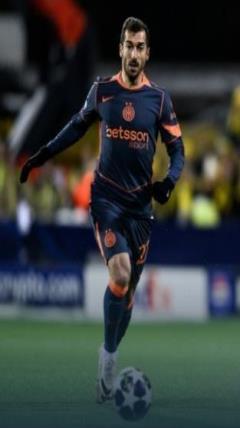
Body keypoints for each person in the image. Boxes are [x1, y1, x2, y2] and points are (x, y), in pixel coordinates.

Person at [19, 17, 184, 403]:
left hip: (140, 209)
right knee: (120, 275)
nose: (134, 53)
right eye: (129, 45)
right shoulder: (103, 91)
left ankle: (110, 350)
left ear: (147, 53)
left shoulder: (159, 100)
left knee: (128, 297)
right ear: (120, 49)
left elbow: (178, 150)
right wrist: (41, 155)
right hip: (106, 200)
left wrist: (169, 181)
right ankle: (108, 359)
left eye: (140, 47)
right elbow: (76, 127)